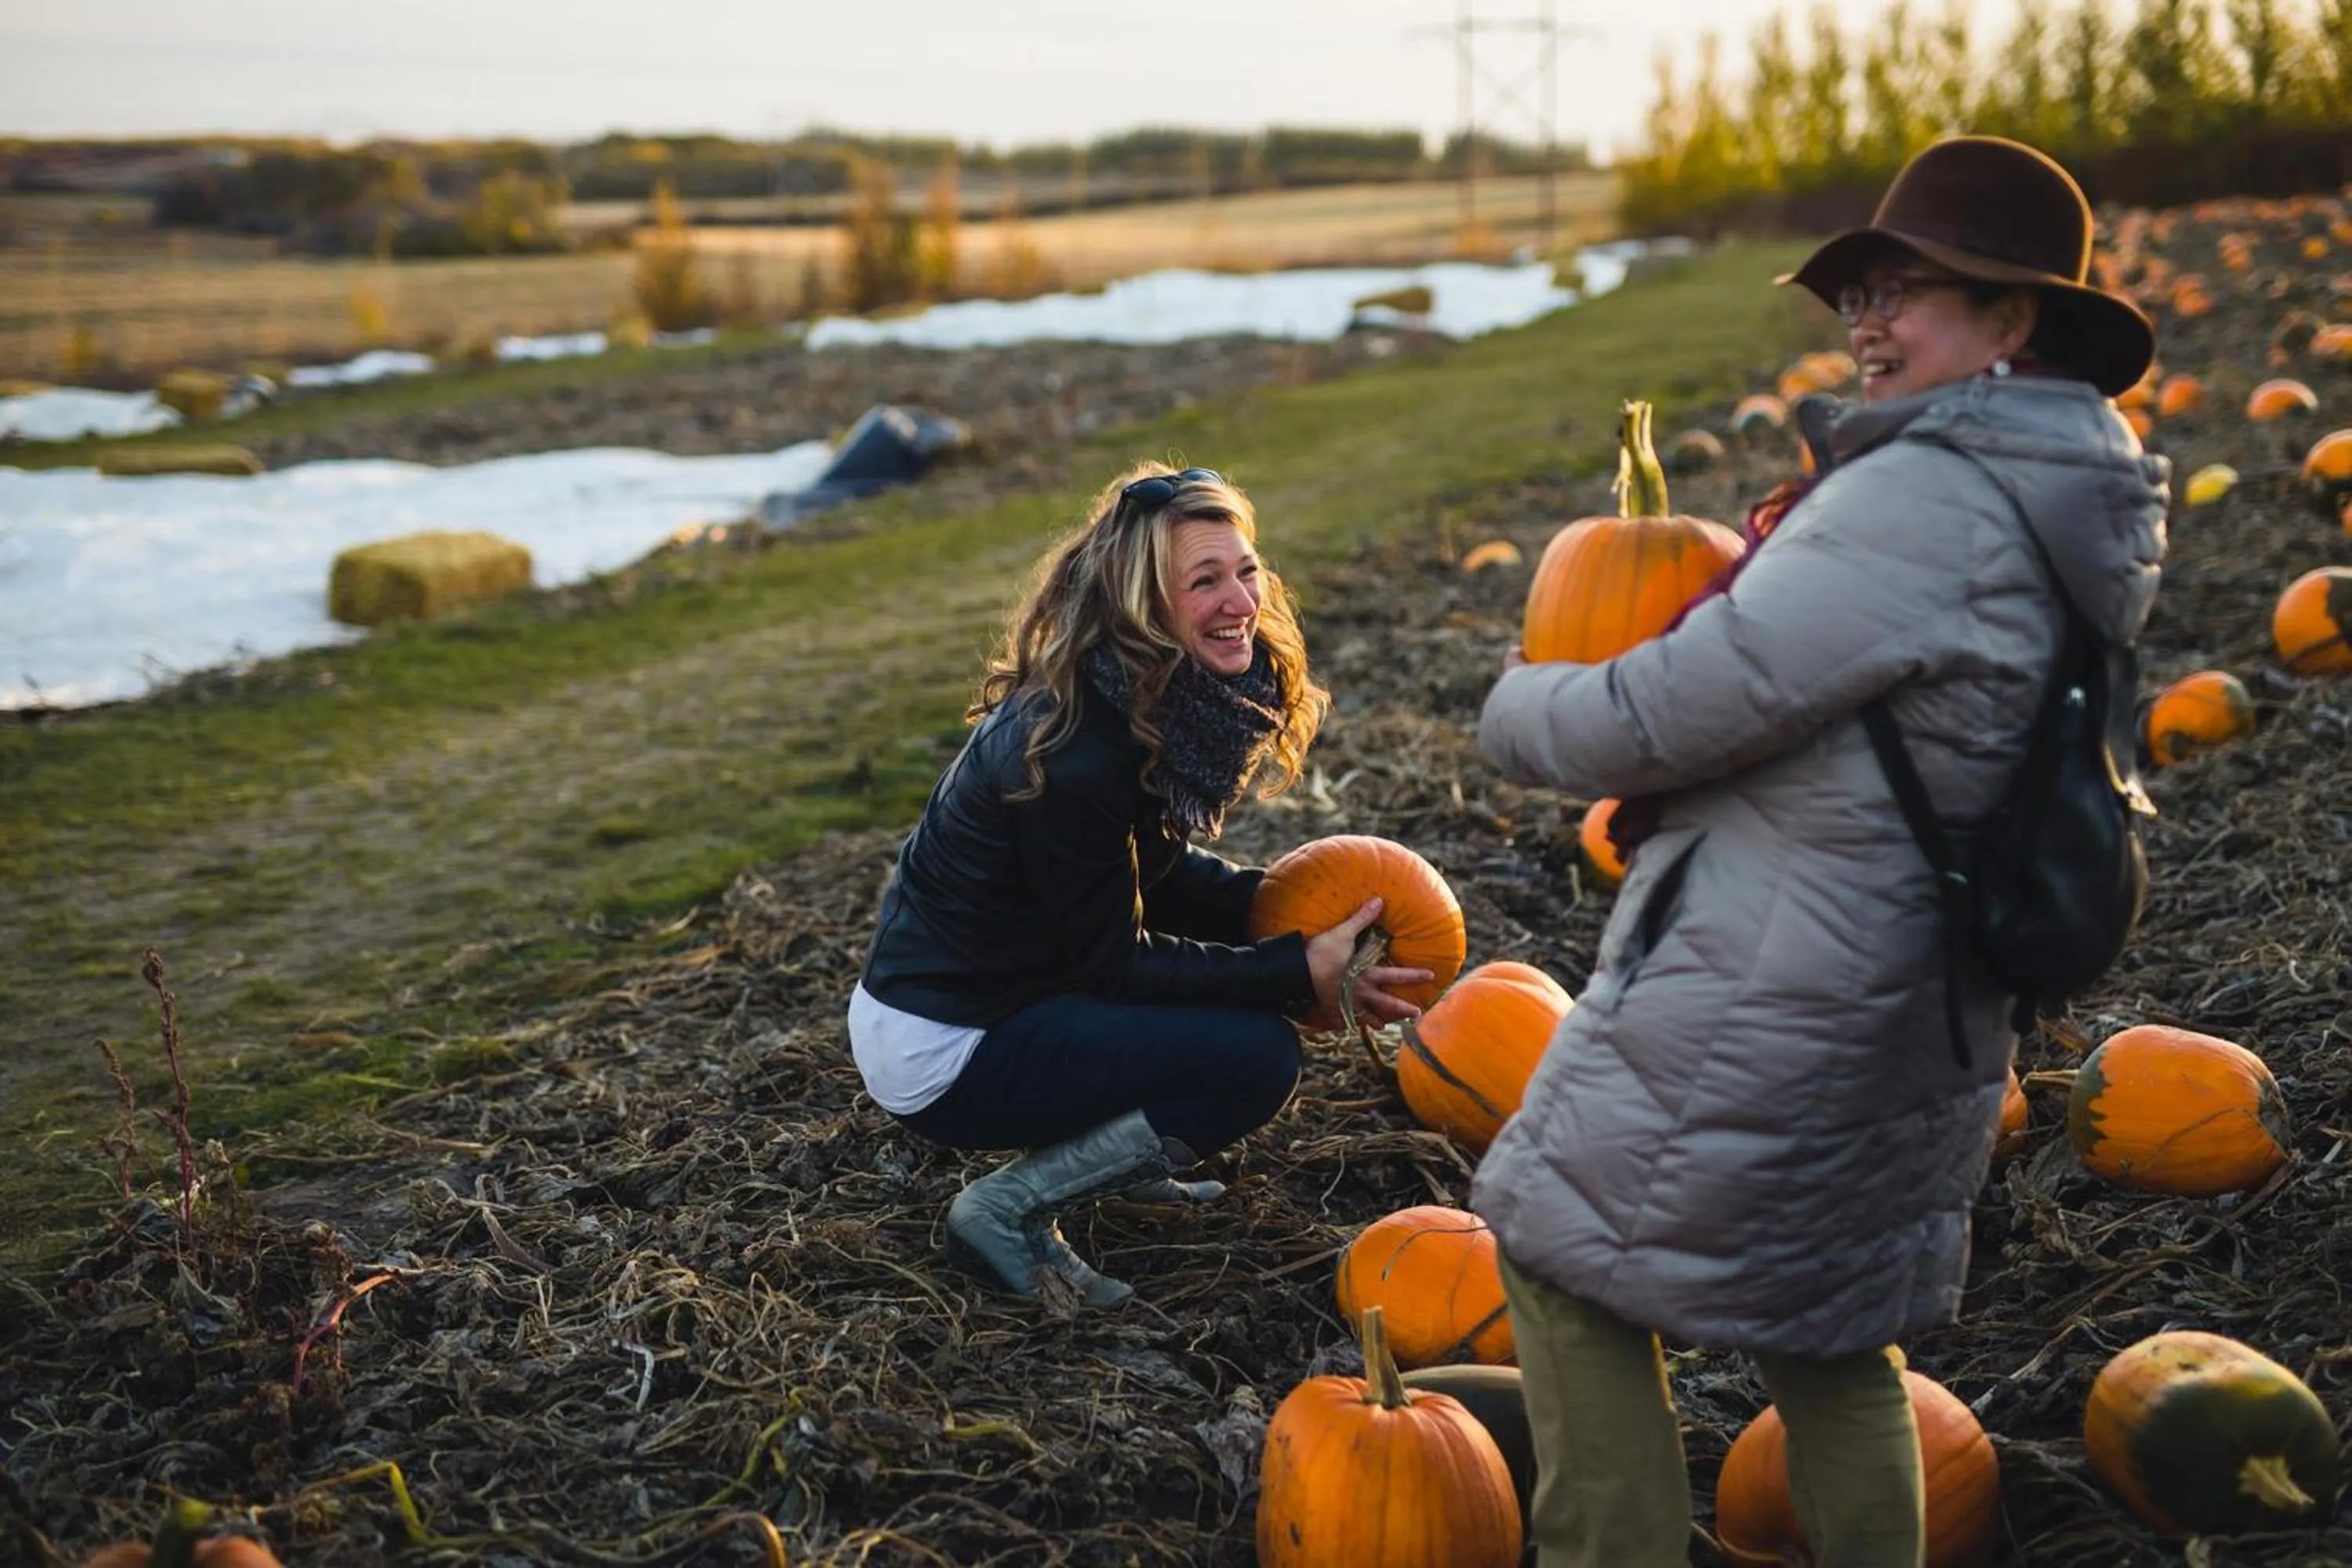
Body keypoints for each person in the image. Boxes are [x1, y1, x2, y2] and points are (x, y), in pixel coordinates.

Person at [1472, 136, 2170, 1566]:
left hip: (1783, 986)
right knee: (1834, 1339)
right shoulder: (2056, 493)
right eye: (1859, 288)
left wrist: (1515, 702)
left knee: (1558, 1260)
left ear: (2012, 321)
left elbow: (1667, 711)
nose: (1865, 320)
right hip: (1909, 991)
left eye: (1909, 290)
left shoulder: (1925, 502)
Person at [851, 462, 1433, 1308]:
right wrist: (1289, 970)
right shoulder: (1077, 749)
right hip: (947, 1041)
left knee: (1226, 1018)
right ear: (1141, 605)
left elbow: (1146, 878)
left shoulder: (1144, 695)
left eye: (1246, 570)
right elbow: (1113, 963)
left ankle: (1110, 1156)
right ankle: (1006, 1207)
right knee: (1255, 1055)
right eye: (1205, 581)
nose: (1242, 601)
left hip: (1007, 991)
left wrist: (1286, 908)